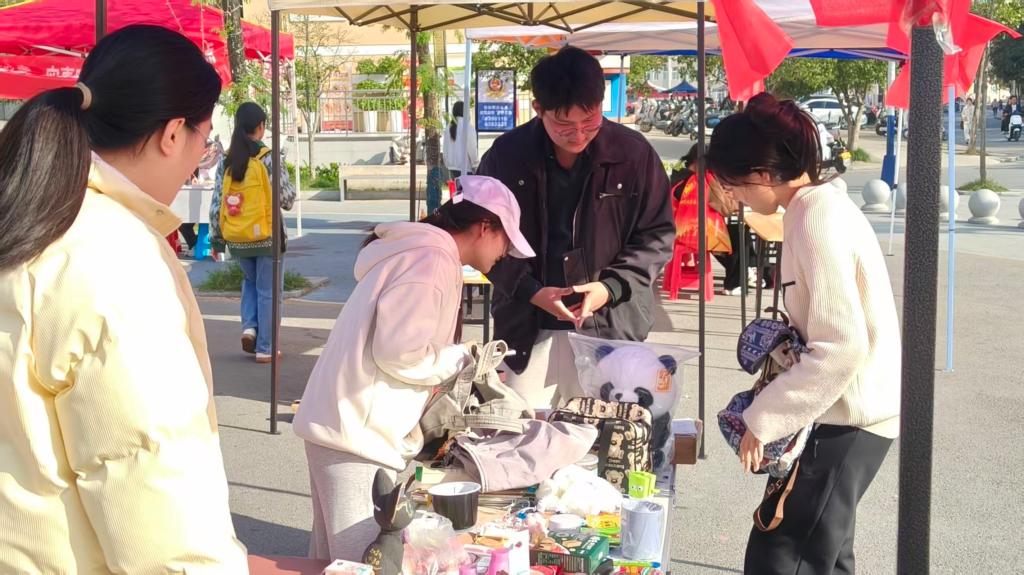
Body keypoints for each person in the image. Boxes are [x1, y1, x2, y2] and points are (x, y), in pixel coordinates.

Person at [0, 25, 246, 572]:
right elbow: (150, 476)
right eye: (205, 141)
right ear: (173, 133)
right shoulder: (110, 254)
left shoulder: (29, 221)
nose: (199, 161)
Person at [706, 93, 901, 574]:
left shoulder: (815, 216)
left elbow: (841, 346)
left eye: (733, 183)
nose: (733, 195)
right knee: (824, 555)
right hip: (851, 414)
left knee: (783, 554)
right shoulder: (815, 206)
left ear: (763, 174)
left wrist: (763, 418)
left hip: (847, 416)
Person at [293, 176, 535, 561]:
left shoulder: (420, 251)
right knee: (363, 561)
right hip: (358, 434)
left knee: (330, 560)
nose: (506, 252)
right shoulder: (432, 259)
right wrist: (461, 358)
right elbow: (400, 351)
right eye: (506, 239)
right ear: (485, 226)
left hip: (344, 424)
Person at [476, 46, 674, 408]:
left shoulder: (633, 154)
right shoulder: (506, 156)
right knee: (522, 427)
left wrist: (609, 287)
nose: (579, 134)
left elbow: (656, 236)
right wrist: (531, 291)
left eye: (590, 119)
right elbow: (482, 238)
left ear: (601, 103)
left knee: (604, 431)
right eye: (564, 125)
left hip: (611, 323)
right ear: (538, 109)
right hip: (527, 324)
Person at [210, 102, 296, 363]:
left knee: (250, 282)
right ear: (261, 126)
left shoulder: (226, 160)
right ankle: (266, 347)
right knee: (269, 291)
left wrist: (217, 240)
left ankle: (250, 328)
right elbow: (287, 199)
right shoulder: (268, 158)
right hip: (268, 236)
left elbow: (217, 202)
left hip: (238, 236)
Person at [443, 101, 479, 178]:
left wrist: (447, 164)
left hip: (451, 169)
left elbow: (445, 149)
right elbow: (472, 149)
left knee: (455, 186)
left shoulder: (448, 127)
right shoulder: (468, 127)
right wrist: (475, 165)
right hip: (466, 169)